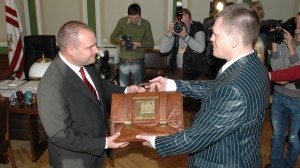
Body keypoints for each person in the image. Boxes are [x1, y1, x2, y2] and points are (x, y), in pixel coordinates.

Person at [137, 3, 270, 168]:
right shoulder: (253, 66)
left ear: (234, 38)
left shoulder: (235, 87)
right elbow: (216, 87)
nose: (211, 39)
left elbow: (196, 137)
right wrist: (172, 85)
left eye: (215, 34)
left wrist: (156, 141)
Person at [37, 20, 145, 168]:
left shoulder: (86, 63)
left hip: (96, 152)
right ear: (71, 50)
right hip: (75, 160)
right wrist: (104, 143)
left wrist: (126, 91)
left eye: (95, 44)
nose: (97, 50)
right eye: (90, 47)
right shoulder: (51, 85)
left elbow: (102, 87)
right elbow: (60, 135)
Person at [266, 12, 300, 168]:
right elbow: (276, 67)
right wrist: (274, 45)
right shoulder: (284, 41)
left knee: (293, 138)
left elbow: (297, 74)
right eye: (296, 20)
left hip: (297, 99)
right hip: (279, 95)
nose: (297, 24)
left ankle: (289, 166)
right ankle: (276, 165)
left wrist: (292, 48)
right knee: (277, 135)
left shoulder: (290, 43)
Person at [110, 3, 154, 87]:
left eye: (136, 18)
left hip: (138, 62)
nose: (134, 20)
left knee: (138, 88)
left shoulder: (146, 24)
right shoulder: (122, 21)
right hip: (123, 61)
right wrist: (120, 41)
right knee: (123, 89)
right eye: (131, 18)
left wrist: (140, 44)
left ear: (140, 15)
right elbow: (112, 37)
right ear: (128, 15)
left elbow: (151, 44)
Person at [159, 8, 206, 80]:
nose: (181, 25)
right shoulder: (175, 31)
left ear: (190, 21)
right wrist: (169, 33)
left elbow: (200, 48)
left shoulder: (198, 28)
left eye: (183, 23)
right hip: (178, 71)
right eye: (179, 22)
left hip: (194, 74)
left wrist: (185, 37)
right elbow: (162, 50)